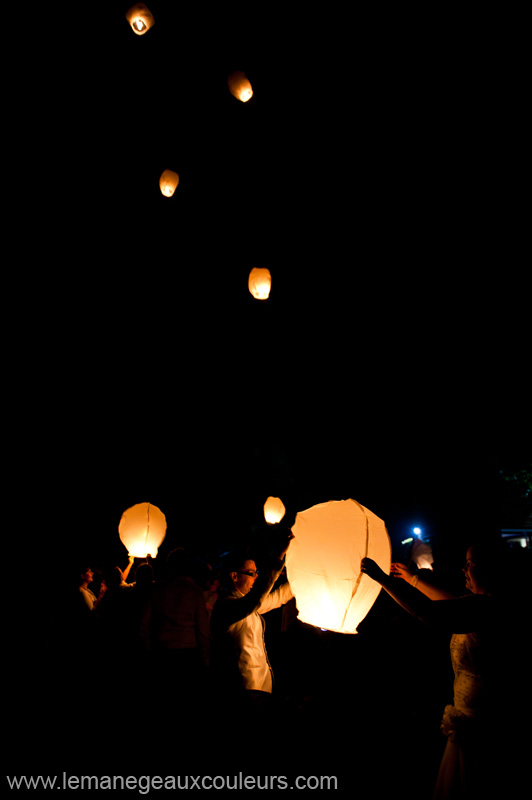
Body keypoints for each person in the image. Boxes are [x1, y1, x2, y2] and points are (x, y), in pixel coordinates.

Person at [361, 543, 528, 799]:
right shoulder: (480, 604)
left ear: (490, 570)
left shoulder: (488, 608)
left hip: (481, 728)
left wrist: (383, 580)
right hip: (468, 718)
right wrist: (412, 579)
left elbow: (429, 612)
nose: (464, 569)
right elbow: (448, 602)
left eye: (470, 563)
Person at [210, 529, 294, 715]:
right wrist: (279, 556)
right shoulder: (227, 607)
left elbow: (277, 597)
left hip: (260, 688)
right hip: (243, 690)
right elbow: (257, 599)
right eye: (252, 573)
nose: (256, 578)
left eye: (256, 573)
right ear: (234, 576)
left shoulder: (245, 605)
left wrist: (302, 580)